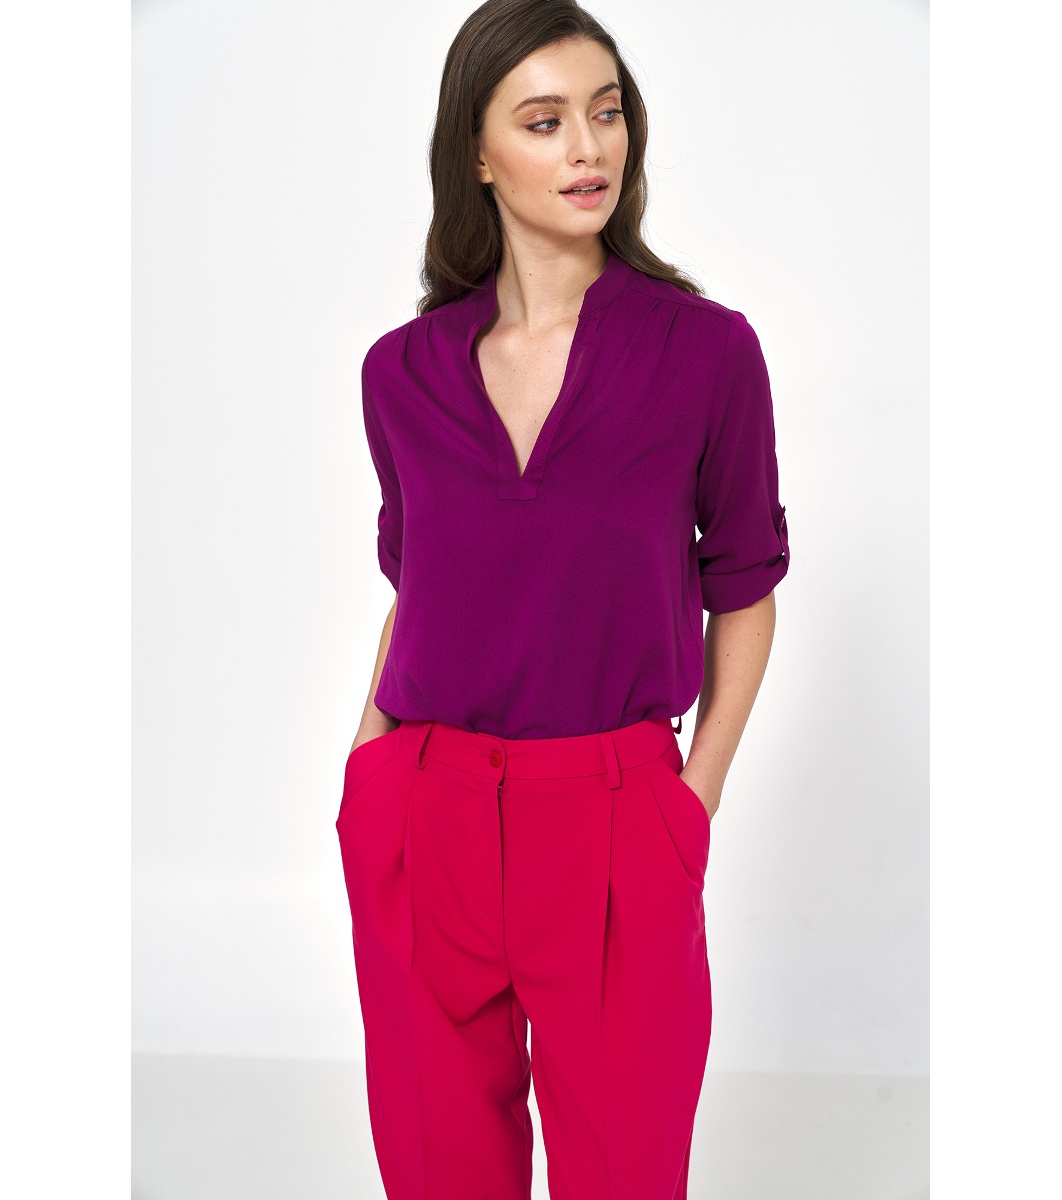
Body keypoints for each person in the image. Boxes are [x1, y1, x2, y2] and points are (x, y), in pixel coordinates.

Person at [335, 2, 789, 1196]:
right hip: (424, 809)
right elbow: (417, 585)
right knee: (438, 1172)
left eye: (606, 113)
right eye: (544, 122)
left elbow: (745, 585)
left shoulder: (706, 353)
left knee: (627, 1169)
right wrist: (369, 772)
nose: (589, 148)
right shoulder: (402, 372)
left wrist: (693, 796)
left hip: (615, 816)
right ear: (478, 154)